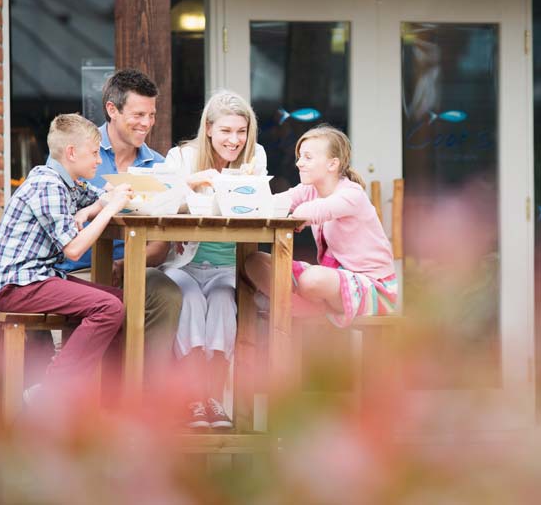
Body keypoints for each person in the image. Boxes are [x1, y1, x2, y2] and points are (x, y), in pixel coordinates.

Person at [0, 114, 133, 390]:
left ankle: (107, 404)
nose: (99, 160)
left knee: (120, 302)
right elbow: (75, 250)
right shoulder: (48, 185)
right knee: (108, 307)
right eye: (94, 153)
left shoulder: (68, 183)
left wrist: (98, 205)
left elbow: (102, 196)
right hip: (17, 284)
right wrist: (111, 208)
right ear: (71, 152)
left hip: (39, 279)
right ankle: (52, 391)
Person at [55, 69, 181, 368]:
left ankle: (150, 398)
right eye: (138, 114)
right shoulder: (75, 153)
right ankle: (73, 396)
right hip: (77, 271)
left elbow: (161, 243)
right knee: (99, 306)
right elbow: (57, 221)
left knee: (167, 292)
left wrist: (123, 266)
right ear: (112, 109)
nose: (147, 123)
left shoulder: (160, 167)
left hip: (132, 270)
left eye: (151, 115)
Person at [160, 90, 267, 429]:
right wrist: (194, 183)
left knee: (222, 302)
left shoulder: (255, 156)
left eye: (241, 131)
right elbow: (158, 202)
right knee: (189, 300)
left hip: (227, 267)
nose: (234, 140)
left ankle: (215, 400)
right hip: (184, 264)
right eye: (226, 131)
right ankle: (195, 400)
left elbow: (255, 207)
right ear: (208, 128)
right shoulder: (180, 157)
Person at [245, 124, 398, 328]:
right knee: (254, 262)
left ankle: (298, 309)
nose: (299, 163)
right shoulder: (309, 189)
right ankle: (306, 308)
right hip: (331, 282)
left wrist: (294, 217)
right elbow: (273, 204)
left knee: (312, 280)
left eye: (308, 157)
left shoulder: (352, 194)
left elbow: (312, 212)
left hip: (374, 289)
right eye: (299, 157)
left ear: (332, 164)